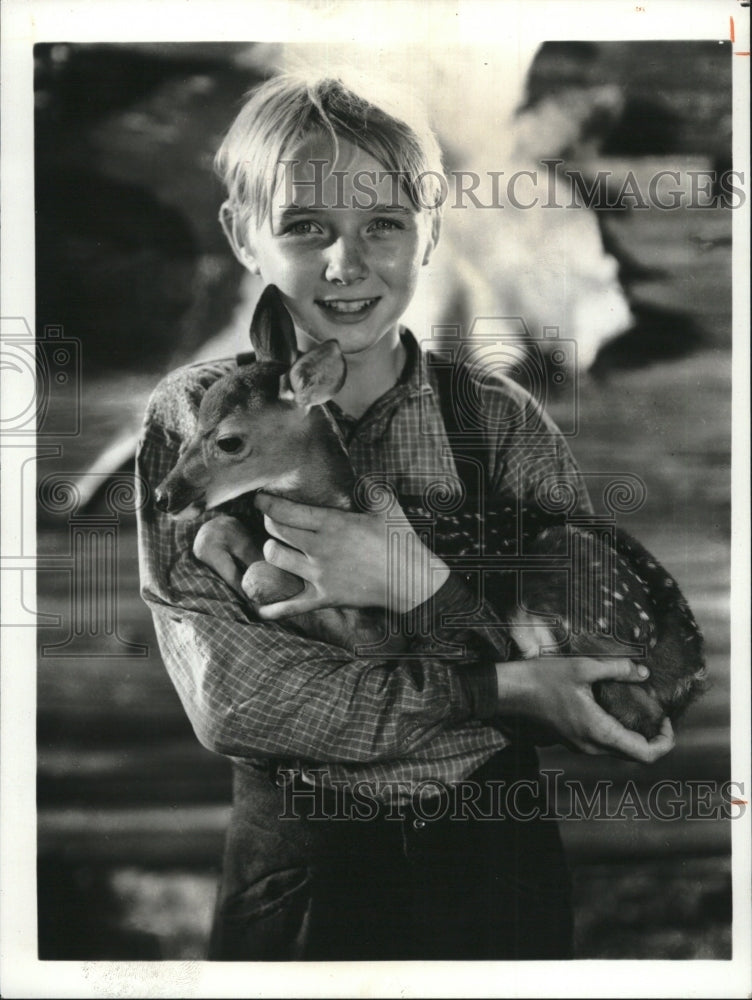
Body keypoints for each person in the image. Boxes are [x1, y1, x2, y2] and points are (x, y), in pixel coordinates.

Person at [136, 73, 674, 961]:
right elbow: (239, 701)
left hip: (490, 855)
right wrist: (493, 686)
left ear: (431, 234)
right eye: (305, 226)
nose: (346, 263)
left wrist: (415, 583)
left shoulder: (499, 424)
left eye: (383, 223)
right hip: (302, 866)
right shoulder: (198, 415)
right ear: (242, 234)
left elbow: (613, 681)